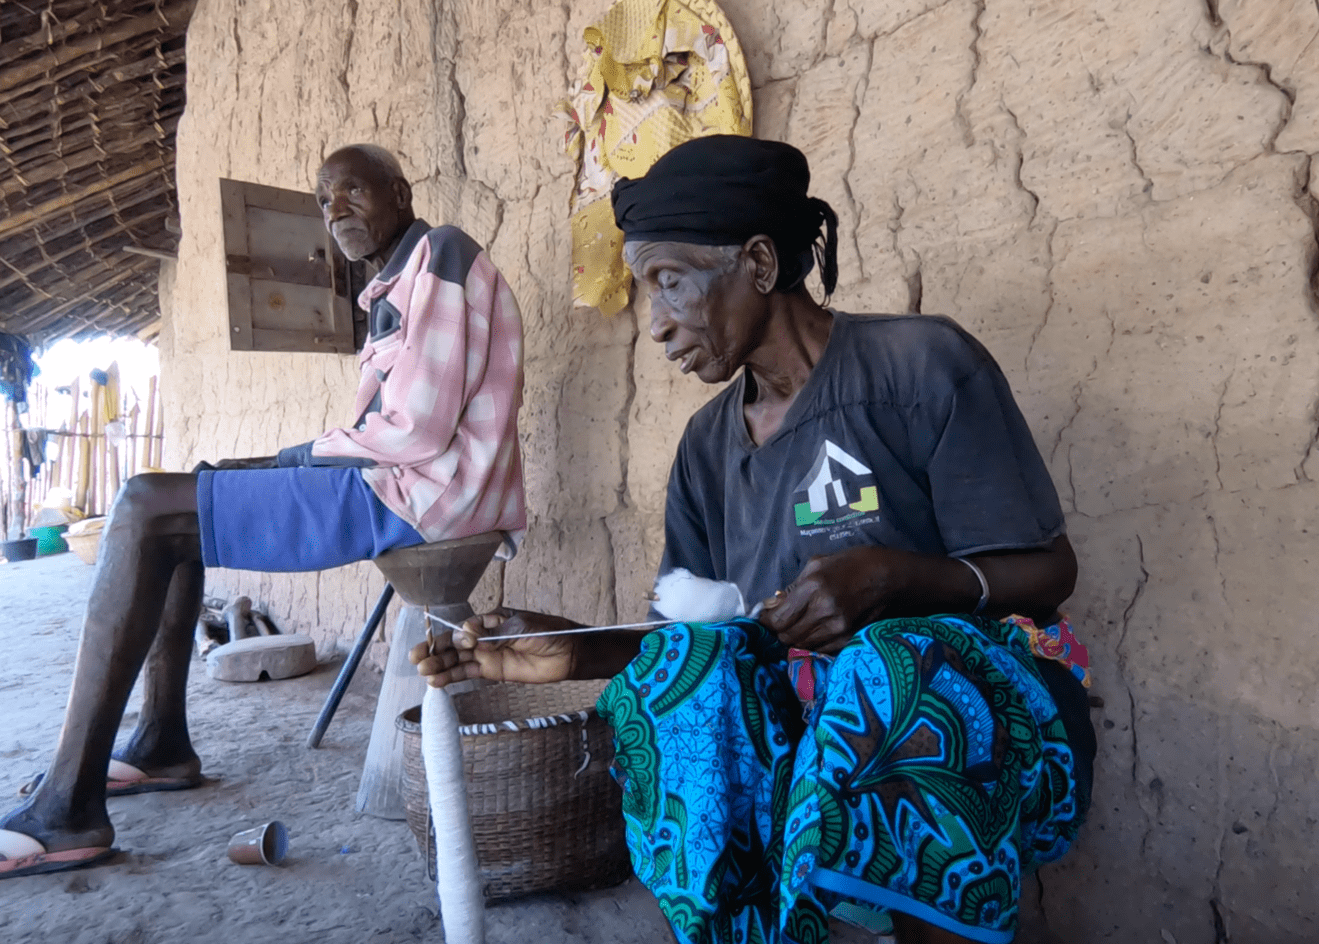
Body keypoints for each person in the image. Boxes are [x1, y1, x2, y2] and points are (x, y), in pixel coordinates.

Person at [411, 136, 1095, 944]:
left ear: (760, 264)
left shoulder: (919, 369)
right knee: (678, 682)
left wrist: (893, 578)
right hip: (802, 740)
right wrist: (577, 653)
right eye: (643, 291)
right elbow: (707, 641)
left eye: (669, 282)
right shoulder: (707, 448)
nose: (656, 325)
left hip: (997, 727)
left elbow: (1050, 570)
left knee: (889, 667)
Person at [0, 144, 526, 879]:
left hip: (427, 495)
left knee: (147, 504)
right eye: (322, 200)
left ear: (400, 193)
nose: (335, 210)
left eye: (351, 191)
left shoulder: (438, 256)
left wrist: (290, 457)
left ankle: (67, 808)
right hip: (409, 483)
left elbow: (416, 430)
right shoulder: (392, 286)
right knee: (177, 503)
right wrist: (283, 460)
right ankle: (160, 742)